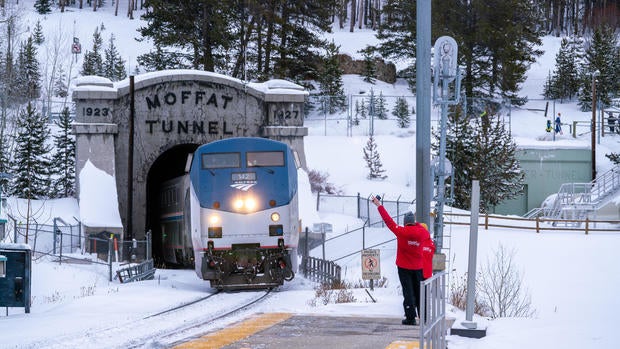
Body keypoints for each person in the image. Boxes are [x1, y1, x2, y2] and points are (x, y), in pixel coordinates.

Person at [371, 195, 433, 325]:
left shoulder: (401, 231)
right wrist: (417, 225)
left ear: (405, 222)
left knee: (408, 292)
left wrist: (379, 205)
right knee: (420, 291)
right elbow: (426, 233)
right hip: (419, 267)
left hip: (404, 267)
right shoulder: (423, 233)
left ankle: (410, 317)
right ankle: (425, 317)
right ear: (414, 222)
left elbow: (388, 220)